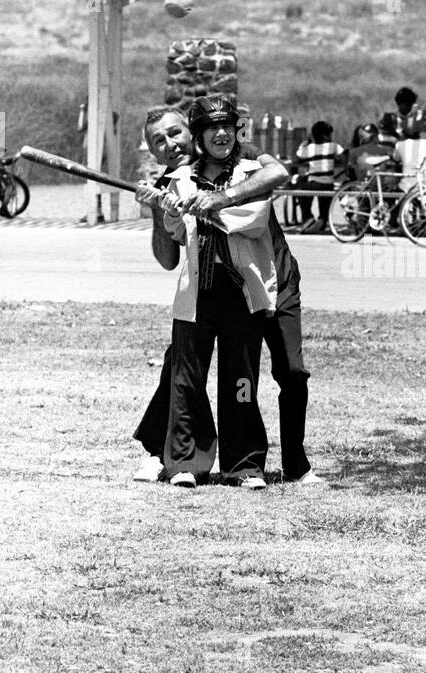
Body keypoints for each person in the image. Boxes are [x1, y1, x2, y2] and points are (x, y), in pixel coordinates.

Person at [133, 105, 322, 487]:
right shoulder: (175, 180)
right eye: (159, 141)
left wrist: (216, 200)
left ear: (192, 132)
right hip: (208, 291)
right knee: (181, 370)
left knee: (288, 371)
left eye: (175, 134)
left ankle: (294, 464)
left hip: (272, 281)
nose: (170, 145)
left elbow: (278, 174)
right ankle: (168, 455)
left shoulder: (242, 156)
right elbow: (170, 257)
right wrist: (158, 210)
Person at [294, 120, 345, 233]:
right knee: (325, 203)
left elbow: (298, 156)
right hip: (328, 184)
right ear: (325, 135)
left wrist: (306, 142)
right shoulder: (333, 146)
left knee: (300, 188)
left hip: (313, 184)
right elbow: (343, 157)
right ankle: (322, 220)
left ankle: (308, 218)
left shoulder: (309, 148)